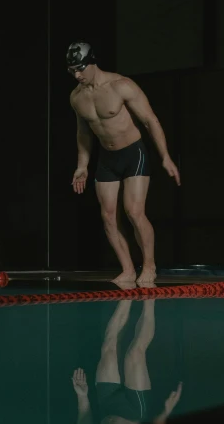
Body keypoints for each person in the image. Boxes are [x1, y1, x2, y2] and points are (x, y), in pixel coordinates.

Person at [67, 41, 180, 284]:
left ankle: (149, 266)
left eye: (80, 68)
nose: (77, 75)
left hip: (133, 153)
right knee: (108, 216)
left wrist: (165, 157)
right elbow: (83, 134)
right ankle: (128, 270)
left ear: (92, 63)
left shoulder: (121, 85)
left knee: (134, 211)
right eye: (72, 70)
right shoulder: (77, 97)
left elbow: (151, 121)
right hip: (106, 159)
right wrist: (82, 165)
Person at [71, 297, 183, 424]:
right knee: (135, 353)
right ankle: (149, 295)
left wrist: (82, 396)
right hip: (134, 411)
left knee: (108, 348)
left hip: (108, 405)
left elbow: (85, 421)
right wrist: (165, 412)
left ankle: (127, 293)